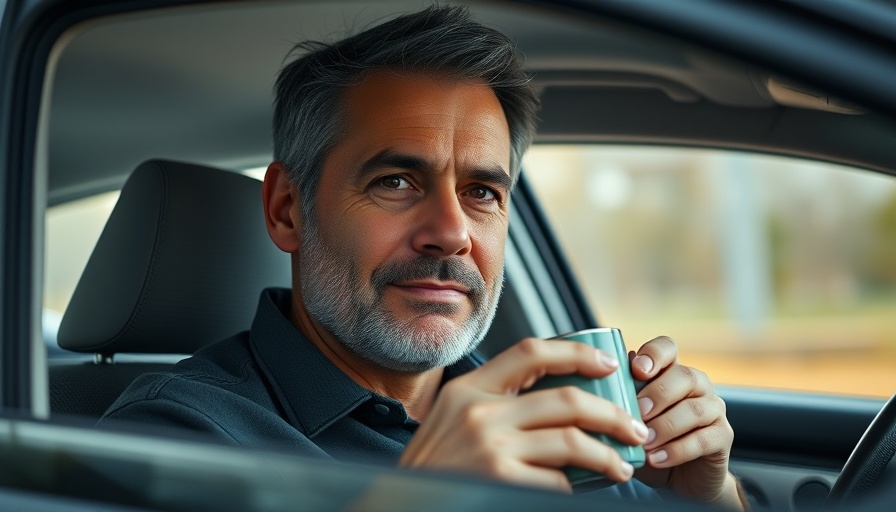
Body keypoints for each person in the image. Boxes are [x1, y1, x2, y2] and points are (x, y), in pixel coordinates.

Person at [98, 5, 747, 509]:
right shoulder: (175, 436)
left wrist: (710, 501)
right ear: (287, 210)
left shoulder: (549, 412)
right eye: (396, 182)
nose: (451, 231)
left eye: (482, 191)